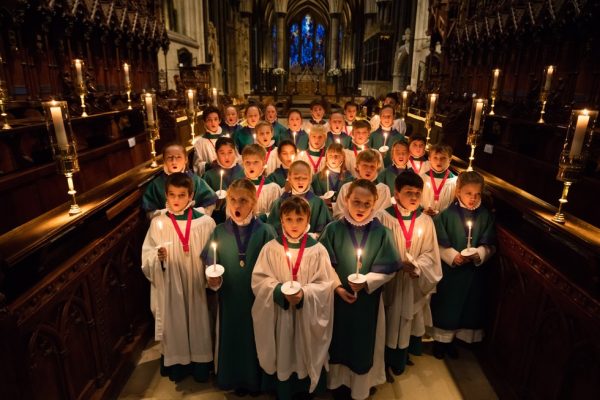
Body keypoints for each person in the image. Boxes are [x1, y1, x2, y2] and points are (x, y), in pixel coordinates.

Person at [319, 179, 401, 400]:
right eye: (356, 202)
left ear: (374, 204)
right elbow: (323, 266)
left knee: (363, 343)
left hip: (368, 301)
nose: (361, 208)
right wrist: (337, 287)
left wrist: (367, 281)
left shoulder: (382, 233)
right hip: (338, 299)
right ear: (346, 200)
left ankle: (361, 385)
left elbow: (390, 269)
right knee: (339, 340)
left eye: (367, 204)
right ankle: (338, 383)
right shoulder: (333, 229)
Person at [252, 196, 336, 400]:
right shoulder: (271, 248)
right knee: (284, 351)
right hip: (281, 314)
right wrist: (279, 291)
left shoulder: (317, 250)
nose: (294, 225)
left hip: (307, 314)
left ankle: (305, 387)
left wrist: (305, 294)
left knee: (304, 348)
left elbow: (325, 284)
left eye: (299, 219)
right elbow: (260, 280)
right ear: (281, 220)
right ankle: (284, 389)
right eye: (289, 219)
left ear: (308, 220)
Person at [201, 179, 276, 395]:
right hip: (231, 297)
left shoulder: (265, 231)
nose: (237, 205)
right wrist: (212, 280)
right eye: (232, 200)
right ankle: (236, 378)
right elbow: (210, 264)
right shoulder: (219, 232)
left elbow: (274, 266)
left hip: (257, 298)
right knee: (233, 337)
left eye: (243, 200)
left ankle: (256, 380)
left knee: (256, 337)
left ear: (254, 202)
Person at [141, 172, 215, 382]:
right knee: (176, 322)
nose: (176, 200)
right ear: (166, 195)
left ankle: (201, 366)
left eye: (181, 195)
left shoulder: (205, 223)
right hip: (172, 283)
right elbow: (147, 257)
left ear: (191, 195)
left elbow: (213, 255)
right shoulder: (158, 223)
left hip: (195, 282)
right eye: (172, 195)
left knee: (199, 320)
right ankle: (179, 367)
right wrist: (159, 258)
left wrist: (211, 275)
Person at [378, 171, 441, 376]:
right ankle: (385, 360)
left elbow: (431, 253)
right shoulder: (383, 217)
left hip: (413, 280)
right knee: (388, 318)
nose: (414, 197)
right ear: (396, 193)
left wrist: (418, 266)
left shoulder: (425, 221)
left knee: (407, 319)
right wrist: (396, 264)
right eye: (408, 193)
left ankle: (401, 357)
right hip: (391, 281)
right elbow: (376, 250)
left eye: (417, 193)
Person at [429, 171, 496, 359]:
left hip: (473, 273)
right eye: (468, 193)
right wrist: (452, 256)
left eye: (477, 194)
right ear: (458, 192)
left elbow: (490, 244)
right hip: (452, 273)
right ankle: (441, 341)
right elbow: (437, 244)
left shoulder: (486, 216)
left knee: (467, 306)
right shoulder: (446, 215)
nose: (473, 198)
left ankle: (455, 340)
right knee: (447, 305)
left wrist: (480, 254)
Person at [142, 143, 217, 218]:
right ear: (164, 160)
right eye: (169, 157)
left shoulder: (196, 181)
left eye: (178, 157)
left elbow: (209, 203)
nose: (174, 161)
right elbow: (150, 211)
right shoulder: (156, 185)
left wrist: (196, 215)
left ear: (186, 159)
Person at [267, 160, 332, 236]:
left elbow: (325, 232)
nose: (300, 181)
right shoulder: (280, 202)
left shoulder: (318, 203)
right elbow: (272, 230)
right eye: (296, 178)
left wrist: (312, 236)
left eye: (304, 178)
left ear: (310, 179)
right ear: (289, 178)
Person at [333, 149, 391, 219]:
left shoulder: (383, 190)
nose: (368, 170)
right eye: (365, 165)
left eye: (372, 166)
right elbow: (338, 214)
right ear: (357, 166)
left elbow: (384, 217)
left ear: (377, 168)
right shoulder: (346, 188)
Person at [202, 137, 245, 223]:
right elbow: (204, 202)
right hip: (218, 220)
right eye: (222, 153)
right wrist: (215, 203)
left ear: (235, 152)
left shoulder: (244, 172)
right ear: (216, 153)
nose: (226, 157)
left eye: (230, 152)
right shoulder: (209, 175)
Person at [241, 144, 282, 217]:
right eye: (247, 162)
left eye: (255, 162)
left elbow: (276, 215)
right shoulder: (238, 188)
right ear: (243, 163)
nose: (251, 166)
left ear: (263, 163)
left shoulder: (273, 188)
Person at [420, 143, 457, 215]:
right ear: (429, 159)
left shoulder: (454, 181)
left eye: (443, 158)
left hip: (444, 219)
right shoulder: (422, 178)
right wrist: (422, 210)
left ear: (450, 159)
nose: (439, 161)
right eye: (435, 157)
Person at [193, 106, 225, 176]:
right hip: (210, 176)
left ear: (219, 121)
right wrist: (209, 165)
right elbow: (197, 165)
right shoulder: (200, 143)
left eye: (216, 119)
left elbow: (235, 158)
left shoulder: (225, 138)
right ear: (204, 122)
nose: (213, 122)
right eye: (209, 120)